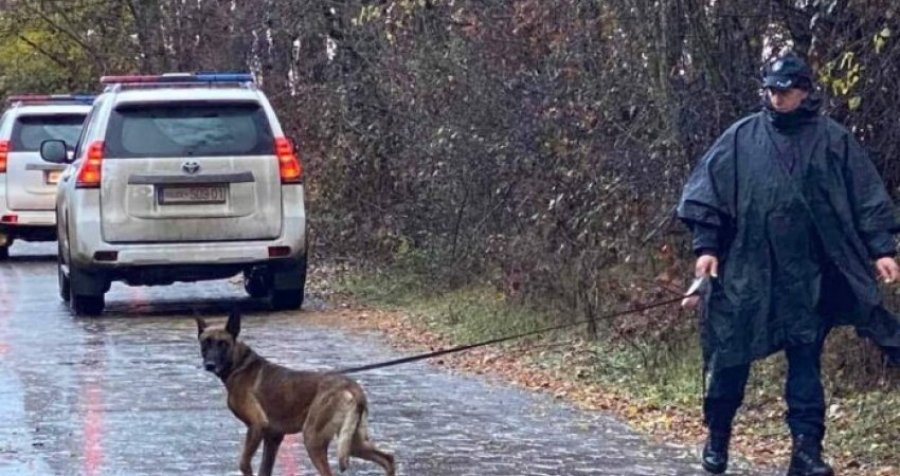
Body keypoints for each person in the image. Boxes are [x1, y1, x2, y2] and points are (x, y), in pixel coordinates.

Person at [677, 51, 900, 476]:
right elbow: (708, 196)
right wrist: (706, 249)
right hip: (747, 269)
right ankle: (718, 436)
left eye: (786, 90)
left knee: (804, 360)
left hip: (809, 273)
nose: (778, 98)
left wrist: (881, 248)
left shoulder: (834, 140)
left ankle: (806, 451)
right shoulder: (741, 138)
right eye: (772, 90)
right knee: (730, 356)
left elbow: (866, 196)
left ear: (804, 92)